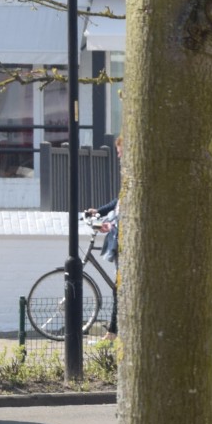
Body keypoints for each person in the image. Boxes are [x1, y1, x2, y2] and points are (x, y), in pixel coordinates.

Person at [85, 135, 122, 338]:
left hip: (124, 241)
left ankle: (113, 333)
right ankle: (114, 332)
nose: (118, 157)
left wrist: (111, 224)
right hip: (119, 238)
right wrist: (98, 212)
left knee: (119, 286)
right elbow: (119, 201)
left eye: (119, 152)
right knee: (119, 286)